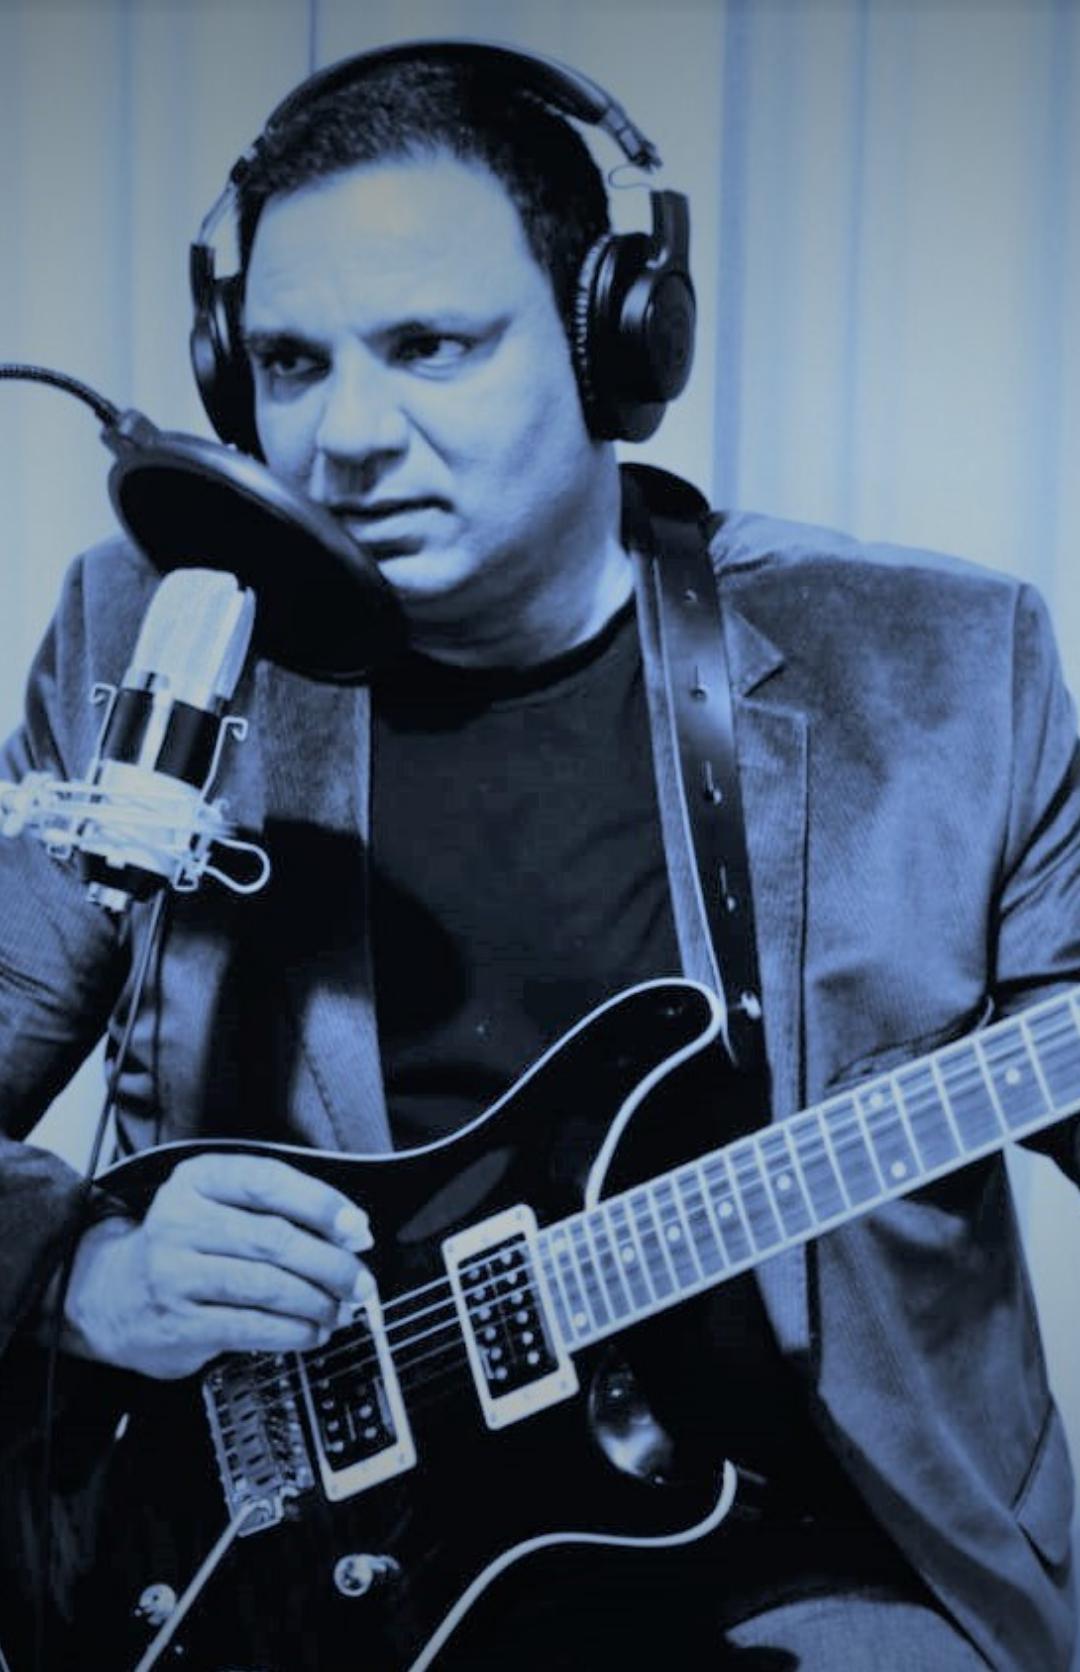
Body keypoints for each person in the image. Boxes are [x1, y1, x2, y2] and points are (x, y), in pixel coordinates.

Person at [1, 39, 1078, 1672]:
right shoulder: (163, 628)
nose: (346, 436)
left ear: (613, 341)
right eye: (289, 364)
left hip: (822, 1558)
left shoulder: (935, 670)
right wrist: (85, 1271)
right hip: (286, 1575)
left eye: (431, 347)